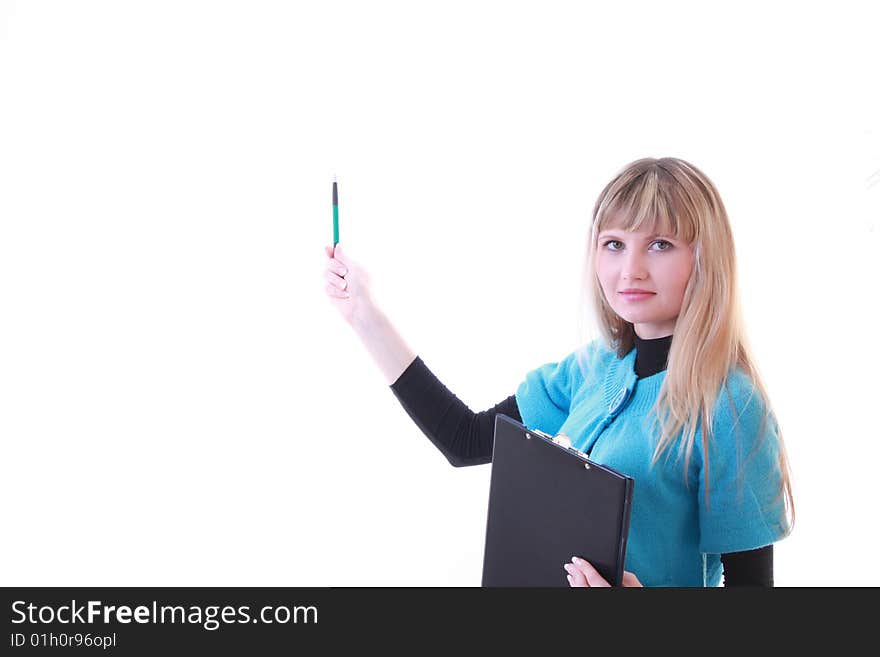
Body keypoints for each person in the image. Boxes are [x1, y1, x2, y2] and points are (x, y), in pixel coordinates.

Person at [322, 157, 795, 587]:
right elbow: (465, 439)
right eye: (613, 244)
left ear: (704, 258)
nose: (630, 269)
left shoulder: (730, 404)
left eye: (659, 244)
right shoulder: (593, 368)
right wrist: (365, 314)